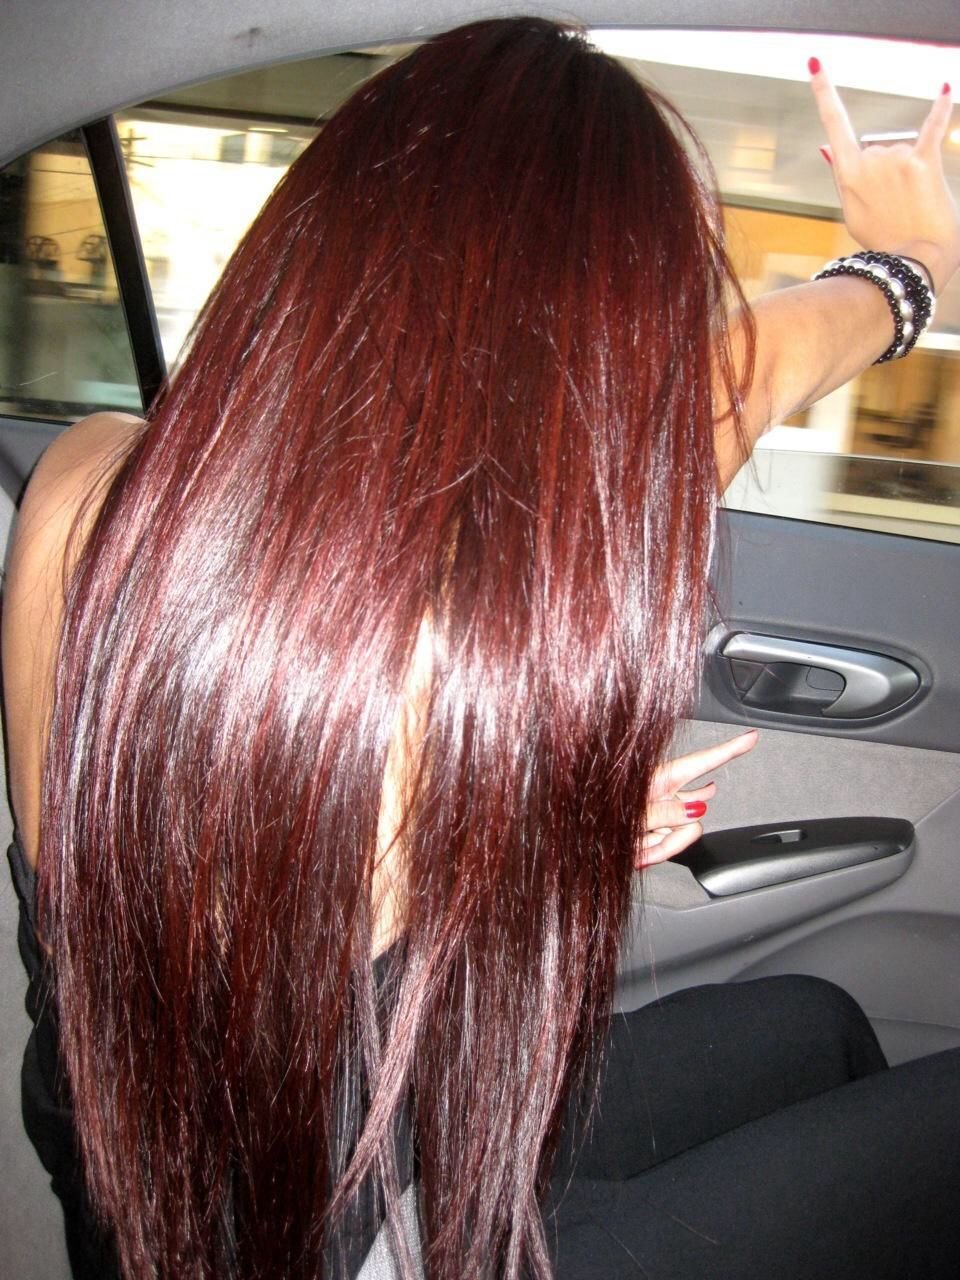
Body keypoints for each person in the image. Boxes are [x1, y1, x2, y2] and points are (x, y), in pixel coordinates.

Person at [3, 17, 959, 1280]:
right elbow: (753, 370)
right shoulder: (505, 577)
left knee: (817, 1024)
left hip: (153, 1197)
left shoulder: (82, 486)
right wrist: (916, 260)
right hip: (355, 1233)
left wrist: (541, 816)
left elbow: (293, 851)